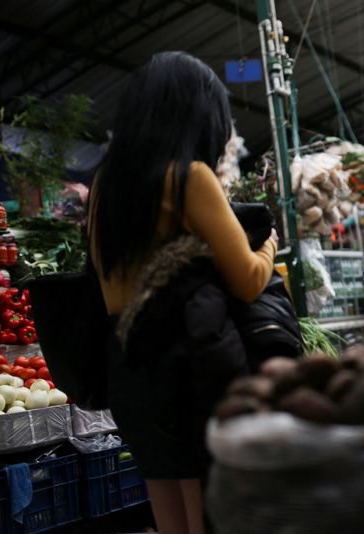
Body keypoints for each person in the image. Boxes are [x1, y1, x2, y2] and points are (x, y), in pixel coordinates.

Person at [88, 51, 278, 534]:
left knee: (165, 495)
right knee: (207, 509)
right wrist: (270, 244)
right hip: (188, 361)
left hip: (127, 365)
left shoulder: (105, 185)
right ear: (197, 115)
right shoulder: (190, 177)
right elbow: (249, 279)